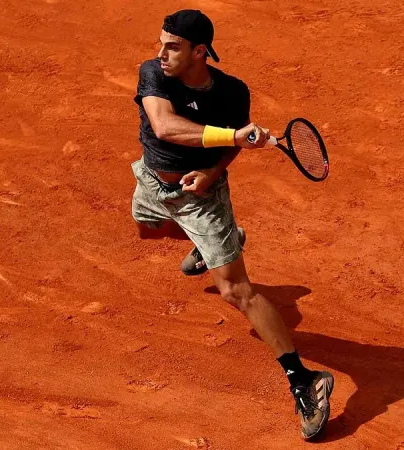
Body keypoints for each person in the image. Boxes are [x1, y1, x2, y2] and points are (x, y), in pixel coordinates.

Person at [130, 9, 334, 441]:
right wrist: (234, 136)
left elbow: (234, 143)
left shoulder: (232, 92)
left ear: (199, 52)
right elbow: (165, 127)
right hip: (151, 181)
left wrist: (213, 170)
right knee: (146, 228)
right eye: (161, 43)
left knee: (235, 290)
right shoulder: (154, 74)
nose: (161, 53)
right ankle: (211, 248)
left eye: (173, 46)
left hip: (203, 198)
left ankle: (304, 379)